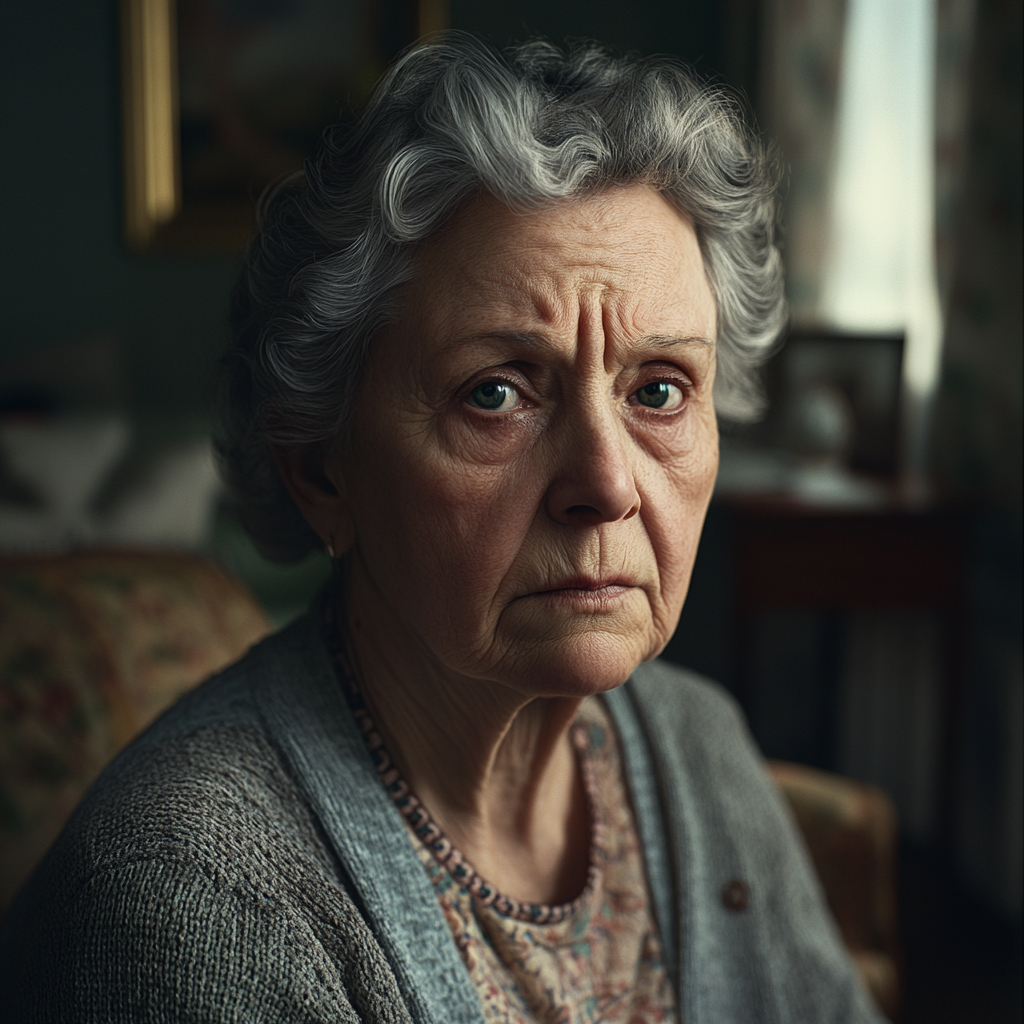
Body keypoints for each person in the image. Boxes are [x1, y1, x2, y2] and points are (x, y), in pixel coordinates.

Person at [0, 34, 885, 1023]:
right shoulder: (188, 894)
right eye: (496, 392)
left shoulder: (696, 744)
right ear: (322, 470)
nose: (605, 484)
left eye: (660, 388)